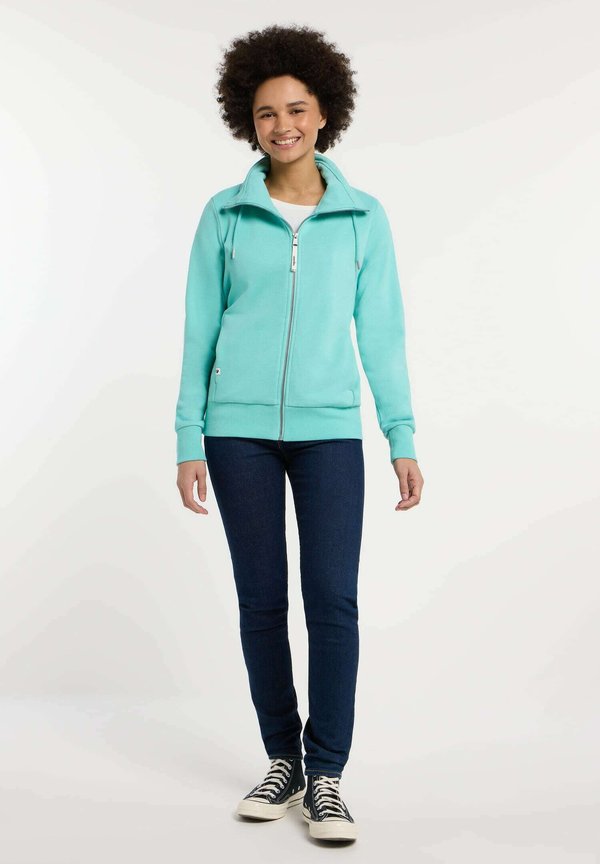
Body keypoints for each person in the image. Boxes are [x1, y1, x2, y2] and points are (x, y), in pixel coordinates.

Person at [174, 24, 424, 843]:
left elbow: (381, 334)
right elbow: (199, 332)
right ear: (248, 123)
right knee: (261, 601)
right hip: (235, 435)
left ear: (324, 114)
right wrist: (188, 437)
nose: (281, 125)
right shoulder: (223, 214)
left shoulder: (361, 218)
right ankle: (282, 759)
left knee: (333, 602)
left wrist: (400, 434)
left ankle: (327, 777)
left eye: (296, 109)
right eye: (266, 113)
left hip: (329, 435)